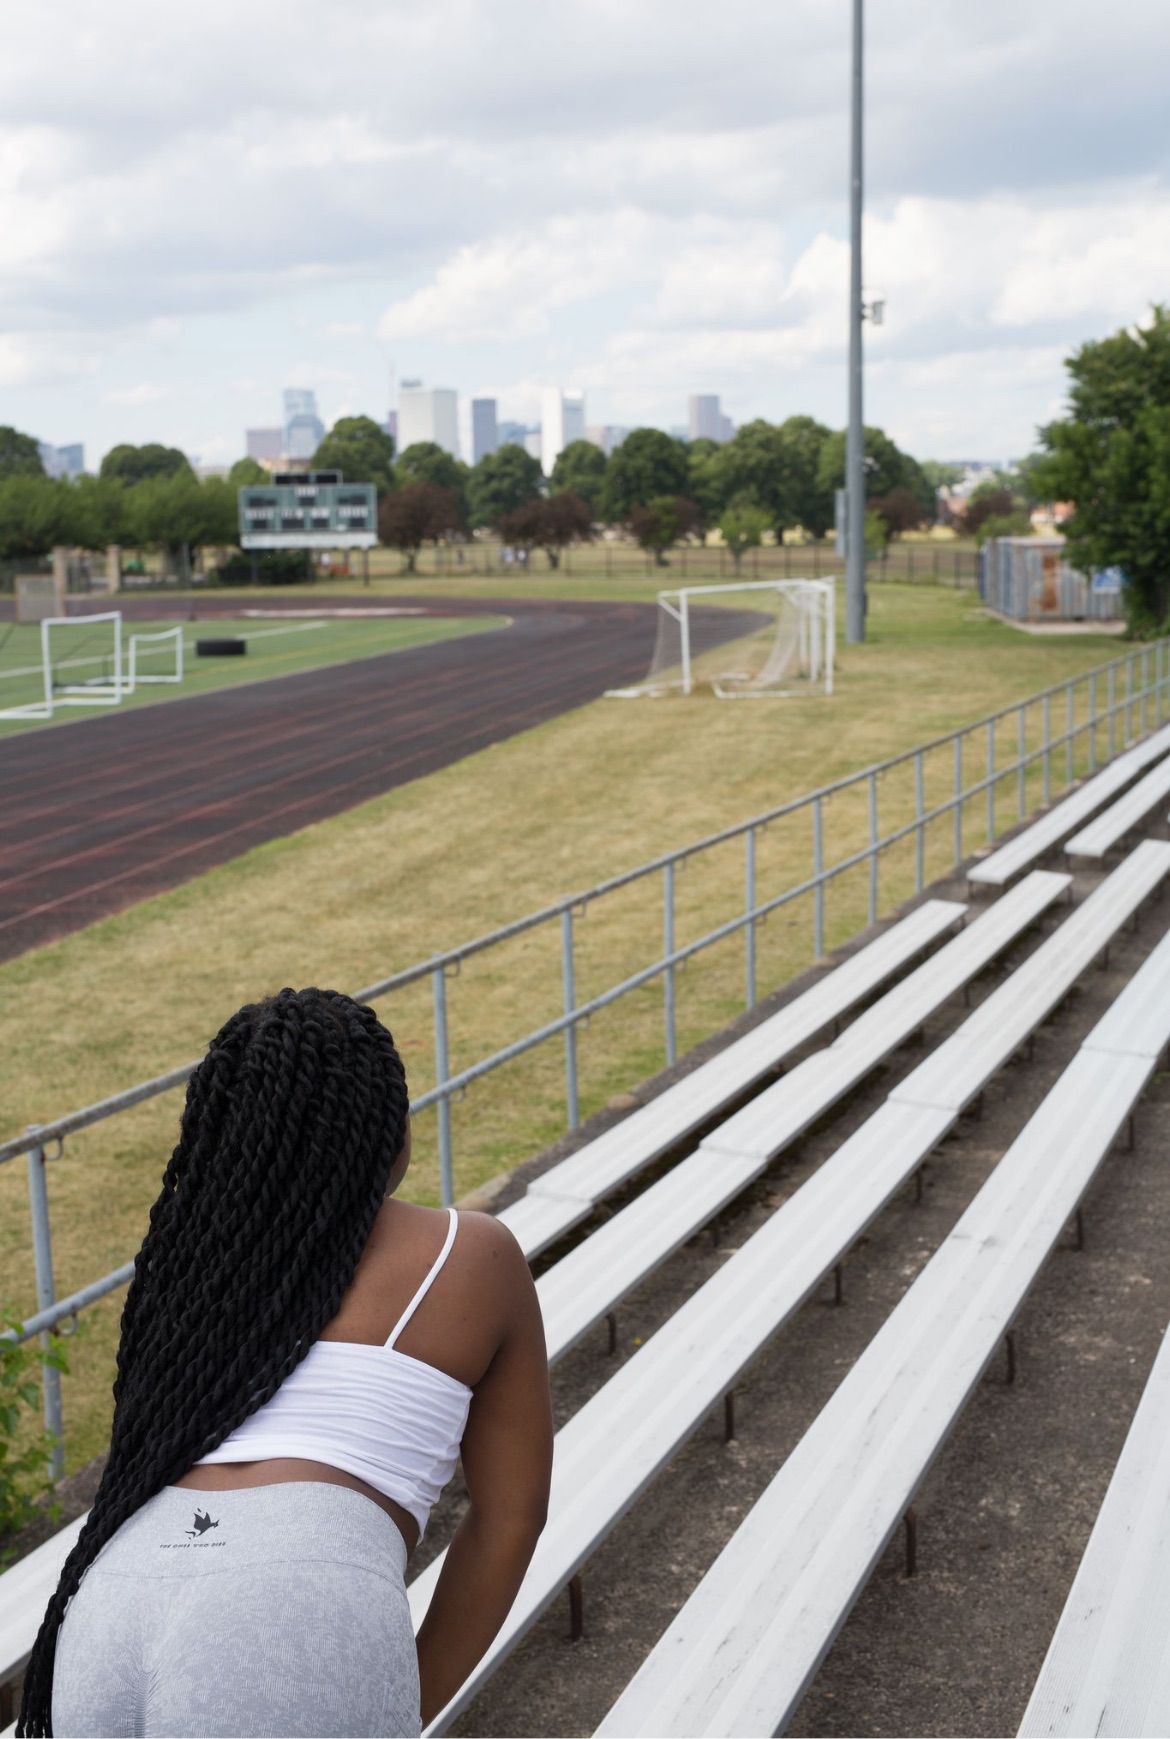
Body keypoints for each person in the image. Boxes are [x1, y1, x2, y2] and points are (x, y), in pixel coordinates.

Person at [20, 988, 553, 1738]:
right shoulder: (472, 1253)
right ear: (391, 1132)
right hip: (297, 1608)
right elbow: (511, 1517)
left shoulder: (186, 1275)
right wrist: (386, 1697)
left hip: (107, 1608)